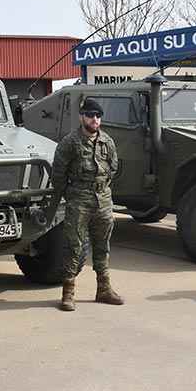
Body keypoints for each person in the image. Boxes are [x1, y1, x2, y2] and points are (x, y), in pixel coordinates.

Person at [49, 98, 124, 311]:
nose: (95, 120)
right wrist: (71, 195)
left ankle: (104, 289)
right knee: (74, 246)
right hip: (79, 199)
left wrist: (101, 189)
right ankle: (68, 293)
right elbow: (58, 175)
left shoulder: (107, 141)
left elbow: (114, 168)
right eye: (91, 115)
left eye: (98, 116)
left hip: (103, 199)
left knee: (103, 245)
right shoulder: (70, 142)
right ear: (82, 116)